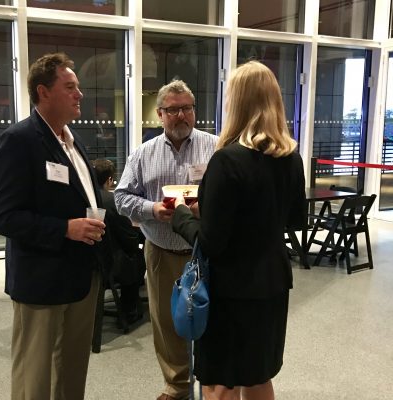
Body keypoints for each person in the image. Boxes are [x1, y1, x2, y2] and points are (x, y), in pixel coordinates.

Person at [171, 61, 307, 400]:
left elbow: (213, 243)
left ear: (238, 102)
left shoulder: (228, 160)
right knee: (258, 375)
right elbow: (294, 220)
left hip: (232, 292)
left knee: (222, 380)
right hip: (273, 283)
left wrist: (181, 216)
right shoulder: (291, 158)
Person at [0, 52, 107, 400]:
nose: (79, 94)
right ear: (43, 92)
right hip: (41, 281)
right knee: (34, 378)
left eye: (78, 87)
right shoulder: (19, 141)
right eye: (70, 87)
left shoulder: (72, 141)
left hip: (81, 276)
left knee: (71, 373)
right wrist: (64, 229)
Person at [114, 79, 218, 400]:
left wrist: (208, 205)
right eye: (173, 110)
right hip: (161, 251)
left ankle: (211, 382)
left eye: (187, 108)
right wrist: (151, 209)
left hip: (205, 250)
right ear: (160, 114)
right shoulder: (143, 154)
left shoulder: (216, 147)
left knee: (211, 317)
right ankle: (177, 385)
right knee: (167, 321)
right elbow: (121, 198)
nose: (181, 115)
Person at [92, 158, 145, 324]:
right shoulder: (112, 201)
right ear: (109, 180)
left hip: (90, 261)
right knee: (136, 255)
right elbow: (129, 238)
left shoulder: (85, 198)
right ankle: (130, 309)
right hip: (112, 265)